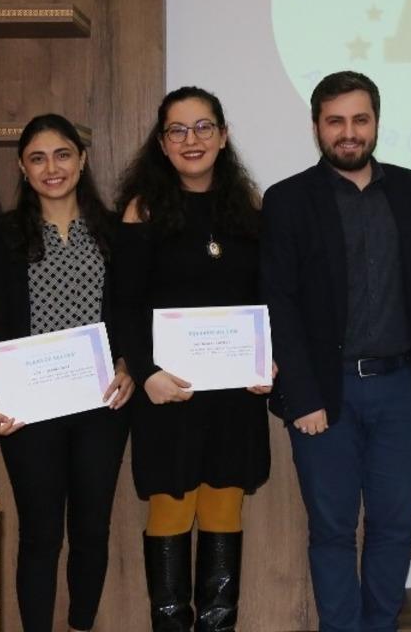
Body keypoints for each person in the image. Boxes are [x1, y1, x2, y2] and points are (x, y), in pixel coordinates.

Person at [261, 70, 411, 632]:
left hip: (400, 387)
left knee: (395, 526)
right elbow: (278, 302)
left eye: (360, 120)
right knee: (333, 530)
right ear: (316, 126)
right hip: (325, 391)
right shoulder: (287, 199)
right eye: (335, 121)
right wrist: (302, 394)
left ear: (376, 123)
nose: (349, 132)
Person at [114, 86, 271, 632]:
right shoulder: (143, 212)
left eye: (204, 127)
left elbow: (266, 299)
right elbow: (123, 305)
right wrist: (146, 373)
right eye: (177, 130)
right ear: (161, 143)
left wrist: (266, 361)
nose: (192, 139)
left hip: (233, 396)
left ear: (224, 136)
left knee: (225, 507)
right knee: (171, 509)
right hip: (167, 393)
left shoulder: (251, 213)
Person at [0, 114, 134, 632]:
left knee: (91, 529)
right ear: (22, 168)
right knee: (40, 534)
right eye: (38, 158)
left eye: (63, 154)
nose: (52, 168)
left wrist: (130, 365)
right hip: (29, 404)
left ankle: (81, 625)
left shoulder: (115, 232)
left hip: (102, 403)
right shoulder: (2, 236)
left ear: (82, 160)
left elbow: (133, 312)